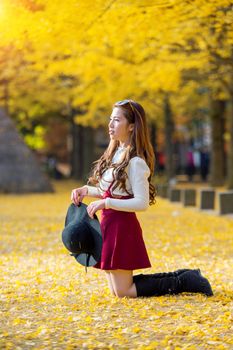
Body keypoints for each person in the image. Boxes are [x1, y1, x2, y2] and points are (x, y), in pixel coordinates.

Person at [71, 99, 213, 298]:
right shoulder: (115, 154)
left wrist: (106, 203)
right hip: (108, 224)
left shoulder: (136, 161)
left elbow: (142, 202)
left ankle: (184, 281)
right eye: (110, 119)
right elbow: (109, 191)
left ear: (131, 126)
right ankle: (184, 276)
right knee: (117, 291)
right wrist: (86, 190)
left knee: (124, 291)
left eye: (117, 120)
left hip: (122, 225)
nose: (110, 125)